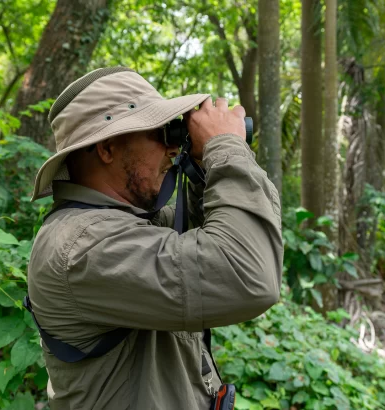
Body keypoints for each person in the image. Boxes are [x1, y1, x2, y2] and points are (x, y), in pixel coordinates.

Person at [27, 66, 283, 409]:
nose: (173, 149)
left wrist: (204, 166)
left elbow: (224, 232)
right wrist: (227, 147)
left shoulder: (124, 224)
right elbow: (247, 274)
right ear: (107, 148)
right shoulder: (83, 246)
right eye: (162, 133)